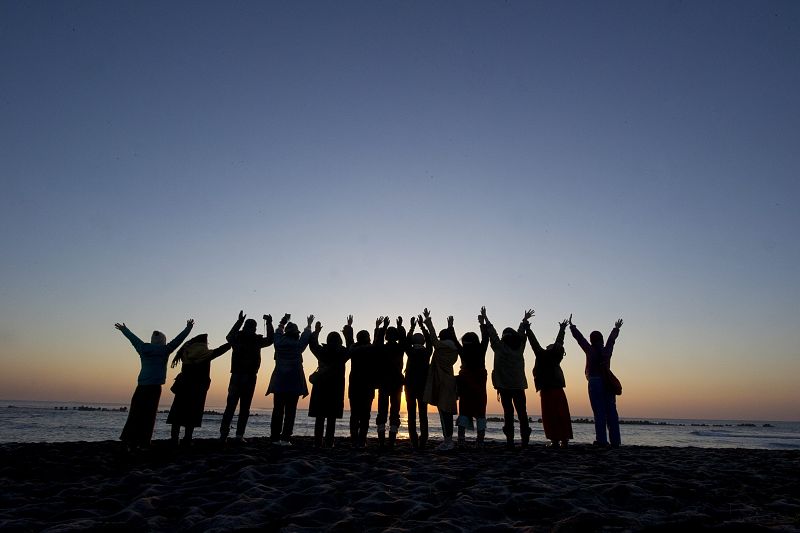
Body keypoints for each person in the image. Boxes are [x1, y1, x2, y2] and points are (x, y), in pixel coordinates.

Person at [115, 319, 194, 451]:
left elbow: (133, 339)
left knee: (135, 414)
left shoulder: (143, 348)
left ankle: (128, 441)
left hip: (141, 386)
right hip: (155, 387)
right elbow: (178, 340)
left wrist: (124, 330)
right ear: (163, 340)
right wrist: (188, 328)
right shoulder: (166, 349)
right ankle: (145, 442)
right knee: (149, 415)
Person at [220, 311, 274, 443]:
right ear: (254, 328)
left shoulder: (238, 337)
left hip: (238, 376)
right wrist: (269, 323)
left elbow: (229, 336)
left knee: (231, 407)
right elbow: (270, 339)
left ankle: (224, 435)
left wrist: (238, 322)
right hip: (248, 377)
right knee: (244, 407)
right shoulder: (256, 340)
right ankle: (238, 436)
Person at [167, 333, 231, 446]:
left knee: (178, 413)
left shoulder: (185, 351)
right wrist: (232, 342)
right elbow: (221, 350)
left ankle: (174, 439)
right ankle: (187, 439)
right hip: (198, 388)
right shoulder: (207, 354)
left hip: (183, 386)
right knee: (192, 414)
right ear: (204, 343)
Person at [569, 315, 624, 448]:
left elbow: (580, 339)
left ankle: (602, 441)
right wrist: (616, 328)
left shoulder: (590, 350)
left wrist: (572, 327)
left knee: (599, 412)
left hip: (594, 382)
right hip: (607, 382)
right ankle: (615, 442)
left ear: (592, 340)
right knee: (611, 412)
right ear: (601, 340)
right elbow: (612, 340)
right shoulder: (606, 351)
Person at [486, 307, 533, 448]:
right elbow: (520, 334)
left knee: (508, 413)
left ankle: (510, 441)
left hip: (504, 387)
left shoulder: (499, 347)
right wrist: (524, 321)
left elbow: (492, 334)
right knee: (522, 413)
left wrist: (486, 320)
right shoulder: (519, 348)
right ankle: (525, 440)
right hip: (518, 386)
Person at [265, 313, 313, 446]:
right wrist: (309, 324)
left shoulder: (278, 343)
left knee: (277, 411)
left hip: (279, 382)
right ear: (296, 334)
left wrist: (283, 321)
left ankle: (274, 438)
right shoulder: (298, 346)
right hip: (294, 383)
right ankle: (286, 438)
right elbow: (306, 336)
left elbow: (278, 331)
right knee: (290, 412)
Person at [526, 317, 572, 448]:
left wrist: (528, 328)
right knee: (561, 414)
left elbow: (534, 342)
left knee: (550, 416)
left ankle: (556, 440)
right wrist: (562, 329)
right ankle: (564, 440)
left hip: (547, 390)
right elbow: (559, 343)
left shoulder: (542, 354)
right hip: (558, 390)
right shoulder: (555, 358)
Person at [308, 317, 353, 448]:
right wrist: (348, 330)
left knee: (320, 417)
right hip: (336, 388)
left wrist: (316, 331)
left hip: (320, 388)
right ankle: (329, 442)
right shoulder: (342, 353)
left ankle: (318, 442)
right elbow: (351, 346)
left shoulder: (322, 352)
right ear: (339, 341)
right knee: (331, 418)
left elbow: (313, 344)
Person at [421, 308, 460, 451]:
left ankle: (448, 441)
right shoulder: (455, 350)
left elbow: (433, 338)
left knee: (444, 413)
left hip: (441, 382)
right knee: (447, 412)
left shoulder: (441, 347)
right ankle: (448, 440)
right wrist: (451, 326)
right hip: (450, 382)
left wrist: (428, 321)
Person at [456, 311, 489, 448]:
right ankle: (480, 441)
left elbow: (453, 340)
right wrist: (482, 323)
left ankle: (461, 440)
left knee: (463, 413)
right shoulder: (481, 351)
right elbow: (486, 338)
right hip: (480, 389)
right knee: (480, 414)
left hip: (466, 388)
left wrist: (451, 327)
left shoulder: (463, 352)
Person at [346, 317, 381, 449]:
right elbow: (378, 343)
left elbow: (349, 340)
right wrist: (377, 328)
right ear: (368, 338)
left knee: (354, 414)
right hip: (368, 386)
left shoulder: (353, 349)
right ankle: (362, 440)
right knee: (365, 415)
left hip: (354, 385)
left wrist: (349, 326)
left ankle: (354, 439)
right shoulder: (371, 349)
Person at [374, 316, 406, 449]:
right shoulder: (399, 348)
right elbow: (404, 340)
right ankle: (391, 442)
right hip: (396, 383)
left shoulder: (383, 348)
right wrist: (400, 327)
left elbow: (377, 342)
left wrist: (383, 327)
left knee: (382, 412)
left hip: (385, 383)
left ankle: (382, 442)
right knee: (394, 412)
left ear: (387, 336)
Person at [403, 316, 432, 449]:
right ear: (424, 341)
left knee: (411, 415)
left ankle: (414, 441)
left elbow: (405, 342)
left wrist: (412, 327)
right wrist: (422, 326)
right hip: (423, 387)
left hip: (410, 386)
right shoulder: (427, 352)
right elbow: (430, 340)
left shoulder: (411, 352)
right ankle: (423, 441)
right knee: (423, 415)